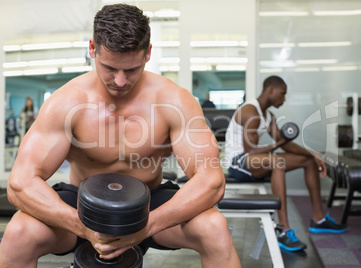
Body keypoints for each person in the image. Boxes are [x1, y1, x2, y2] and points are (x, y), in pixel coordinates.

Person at [0, 4, 241, 268]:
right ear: (93, 48)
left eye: (131, 70)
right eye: (110, 68)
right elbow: (19, 184)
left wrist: (146, 226)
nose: (121, 81)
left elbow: (212, 181)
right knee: (19, 233)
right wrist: (82, 226)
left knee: (214, 228)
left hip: (150, 205)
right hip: (83, 207)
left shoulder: (173, 101)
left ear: (148, 53)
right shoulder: (67, 103)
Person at [225, 75, 346, 252]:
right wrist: (279, 144)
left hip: (254, 160)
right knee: (278, 161)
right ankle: (284, 230)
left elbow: (285, 142)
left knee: (307, 161)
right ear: (270, 90)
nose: (284, 98)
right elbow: (250, 151)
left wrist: (314, 154)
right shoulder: (250, 111)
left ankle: (319, 219)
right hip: (238, 161)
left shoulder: (268, 116)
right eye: (282, 94)